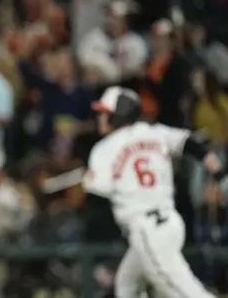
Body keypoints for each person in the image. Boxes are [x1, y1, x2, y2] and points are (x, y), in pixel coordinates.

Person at [82, 86, 228, 298]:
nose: (100, 118)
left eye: (105, 113)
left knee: (187, 293)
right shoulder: (155, 132)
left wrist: (88, 179)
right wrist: (219, 173)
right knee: (127, 284)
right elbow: (191, 144)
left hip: (147, 229)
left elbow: (98, 194)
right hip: (170, 224)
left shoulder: (104, 148)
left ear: (118, 116)